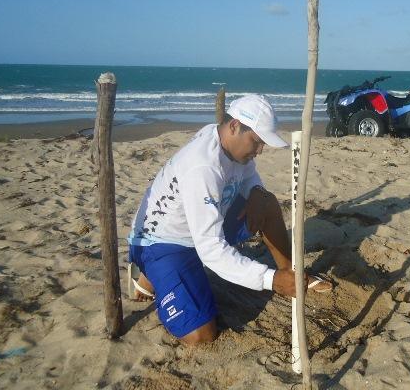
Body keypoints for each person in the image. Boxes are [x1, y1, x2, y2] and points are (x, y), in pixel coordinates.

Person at [127, 94, 331, 345]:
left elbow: (249, 177)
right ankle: (154, 273)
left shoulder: (227, 143)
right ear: (234, 126)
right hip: (163, 243)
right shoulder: (203, 167)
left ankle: (292, 274)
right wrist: (270, 280)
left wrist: (256, 191)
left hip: (201, 227)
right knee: (200, 335)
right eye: (256, 141)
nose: (260, 150)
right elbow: (211, 249)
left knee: (265, 202)